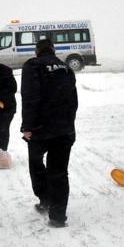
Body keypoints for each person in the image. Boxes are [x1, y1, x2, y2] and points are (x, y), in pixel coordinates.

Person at [20, 39, 78, 228]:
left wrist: (27, 126)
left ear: (37, 51)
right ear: (53, 50)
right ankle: (58, 216)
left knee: (36, 164)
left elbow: (29, 97)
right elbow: (73, 101)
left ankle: (45, 199)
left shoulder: (32, 66)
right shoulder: (66, 68)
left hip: (40, 129)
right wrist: (70, 126)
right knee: (59, 172)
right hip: (63, 129)